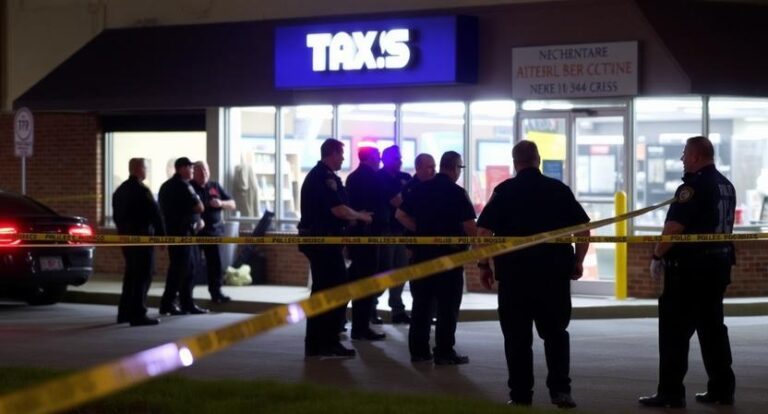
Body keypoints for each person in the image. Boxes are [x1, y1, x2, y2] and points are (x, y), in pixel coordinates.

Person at [475, 140, 589, 409]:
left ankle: (520, 395)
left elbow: (482, 234)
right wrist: (578, 261)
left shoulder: (503, 191)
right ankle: (561, 391)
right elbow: (584, 229)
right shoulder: (558, 189)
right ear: (538, 159)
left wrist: (484, 266)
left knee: (517, 339)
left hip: (514, 278)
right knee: (556, 335)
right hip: (553, 277)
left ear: (515, 162)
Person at [639, 136, 736, 408]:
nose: (682, 159)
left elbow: (674, 228)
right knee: (713, 329)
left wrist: (657, 254)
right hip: (718, 267)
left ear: (694, 156)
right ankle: (722, 389)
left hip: (690, 271)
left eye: (684, 154)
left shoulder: (692, 187)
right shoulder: (725, 185)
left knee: (673, 333)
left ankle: (670, 393)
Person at [396, 151, 476, 365]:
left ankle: (419, 352)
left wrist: (421, 231)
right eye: (460, 168)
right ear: (455, 167)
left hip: (422, 257)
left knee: (421, 305)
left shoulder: (420, 188)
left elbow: (400, 215)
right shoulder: (457, 192)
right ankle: (444, 351)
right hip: (449, 259)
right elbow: (469, 226)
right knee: (447, 307)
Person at [298, 138, 373, 358]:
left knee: (323, 291)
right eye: (340, 154)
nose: (343, 158)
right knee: (335, 290)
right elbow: (339, 210)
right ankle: (328, 341)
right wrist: (361, 217)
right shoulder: (323, 177)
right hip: (323, 243)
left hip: (325, 242)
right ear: (331, 153)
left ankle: (316, 343)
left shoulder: (324, 176)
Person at [112, 158, 165, 327]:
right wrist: (161, 237)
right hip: (142, 239)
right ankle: (138, 314)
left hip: (126, 239)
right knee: (144, 274)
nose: (147, 171)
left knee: (131, 275)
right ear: (139, 169)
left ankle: (124, 312)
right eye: (146, 168)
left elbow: (117, 217)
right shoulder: (142, 191)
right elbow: (155, 214)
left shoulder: (119, 191)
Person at [345, 146, 386, 341]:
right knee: (366, 281)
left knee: (355, 277)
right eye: (377, 156)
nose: (380, 159)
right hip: (369, 236)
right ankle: (360, 327)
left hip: (356, 237)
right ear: (370, 158)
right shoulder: (374, 178)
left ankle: (346, 320)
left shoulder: (352, 178)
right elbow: (380, 207)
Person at [158, 157, 208, 316]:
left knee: (180, 269)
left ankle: (179, 303)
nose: (193, 171)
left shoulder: (166, 186)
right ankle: (176, 303)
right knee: (185, 270)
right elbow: (199, 207)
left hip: (174, 233)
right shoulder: (184, 186)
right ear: (181, 169)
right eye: (190, 168)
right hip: (183, 234)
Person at [373, 145, 413, 325]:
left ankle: (397, 309)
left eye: (400, 158)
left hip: (401, 230)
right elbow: (397, 201)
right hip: (385, 230)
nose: (400, 161)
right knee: (385, 270)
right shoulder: (379, 178)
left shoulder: (405, 177)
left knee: (401, 270)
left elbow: (413, 199)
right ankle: (370, 307)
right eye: (396, 158)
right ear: (386, 160)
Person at [192, 160, 237, 304]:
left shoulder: (214, 186)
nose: (204, 173)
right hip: (195, 234)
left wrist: (221, 203)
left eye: (205, 170)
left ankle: (216, 294)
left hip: (214, 233)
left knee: (215, 265)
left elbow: (232, 204)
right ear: (194, 173)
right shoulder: (190, 188)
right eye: (200, 171)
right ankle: (186, 297)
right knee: (192, 266)